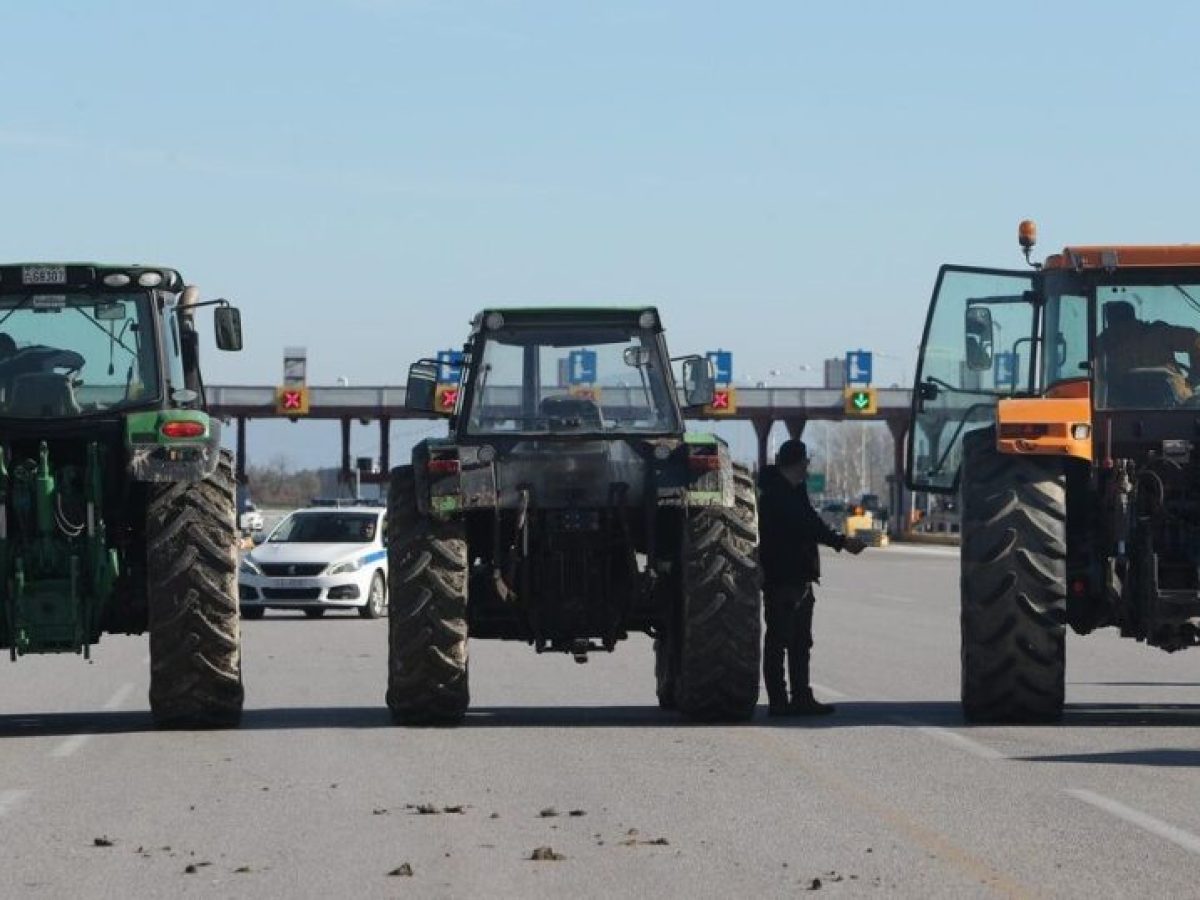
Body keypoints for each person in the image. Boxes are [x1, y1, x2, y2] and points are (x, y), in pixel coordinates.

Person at [758, 439, 865, 717]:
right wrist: (841, 542)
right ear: (797, 462)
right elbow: (807, 525)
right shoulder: (775, 494)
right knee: (779, 640)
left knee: (800, 641)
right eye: (805, 460)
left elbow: (811, 523)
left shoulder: (794, 489)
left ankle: (801, 697)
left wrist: (839, 542)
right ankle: (779, 701)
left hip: (800, 576)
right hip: (782, 577)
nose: (808, 465)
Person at [1096, 300, 1200, 406]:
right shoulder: (1104, 343)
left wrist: (1192, 380)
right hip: (1123, 411)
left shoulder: (1158, 334)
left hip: (1176, 405)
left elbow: (1195, 340)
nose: (1120, 330)